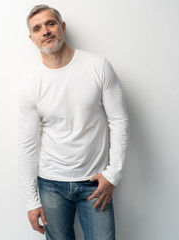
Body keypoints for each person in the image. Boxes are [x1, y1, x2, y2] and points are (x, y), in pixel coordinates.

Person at [18, 4, 129, 240]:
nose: (45, 31)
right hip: (50, 186)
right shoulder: (31, 84)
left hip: (95, 184)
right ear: (32, 38)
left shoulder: (97, 66)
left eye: (50, 23)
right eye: (37, 28)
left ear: (62, 27)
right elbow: (27, 146)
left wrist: (114, 174)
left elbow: (119, 120)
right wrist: (31, 201)